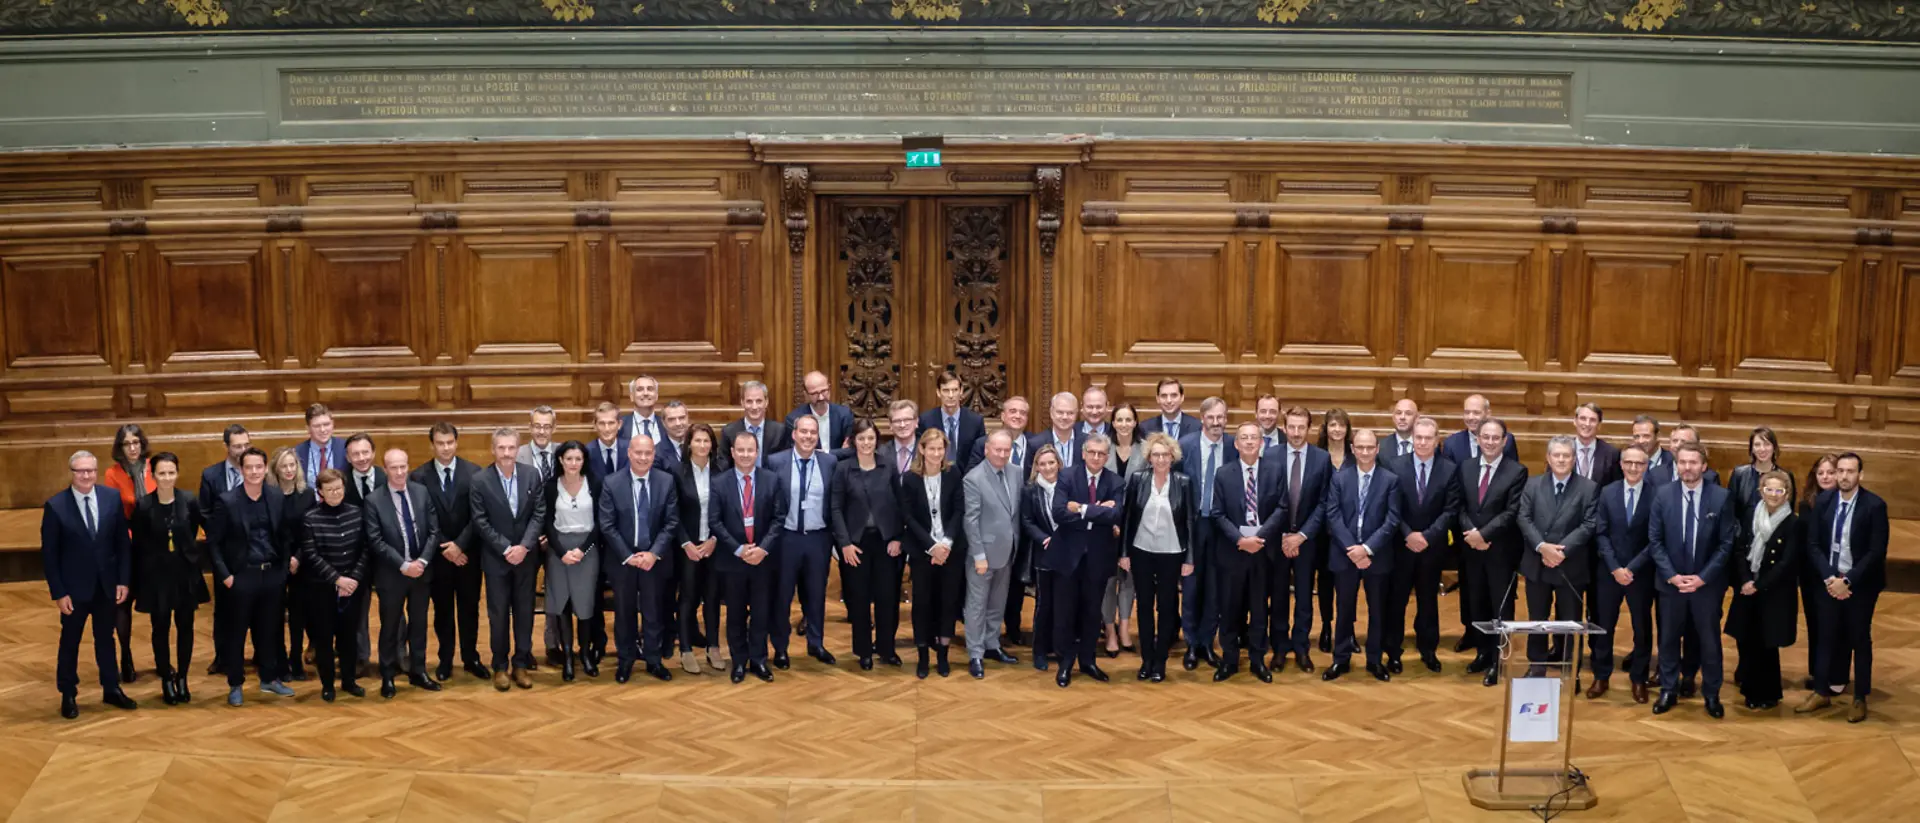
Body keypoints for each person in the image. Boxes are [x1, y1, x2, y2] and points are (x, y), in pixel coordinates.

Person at [44, 450, 137, 718]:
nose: (86, 476)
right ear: (71, 473)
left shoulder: (111, 498)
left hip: (107, 585)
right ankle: (68, 693)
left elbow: (122, 543)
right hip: (74, 590)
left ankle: (111, 688)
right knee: (70, 641)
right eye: (80, 471)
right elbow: (49, 555)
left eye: (90, 471)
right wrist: (59, 592)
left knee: (106, 639)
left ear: (96, 472)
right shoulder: (56, 506)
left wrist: (123, 580)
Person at [1798, 452, 1889, 723]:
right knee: (1824, 636)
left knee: (1859, 639)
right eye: (1841, 471)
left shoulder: (1874, 505)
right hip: (1828, 581)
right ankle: (1820, 691)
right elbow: (1813, 545)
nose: (1845, 476)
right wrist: (1830, 578)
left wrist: (1847, 581)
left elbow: (1876, 552)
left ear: (1860, 475)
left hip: (1860, 585)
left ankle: (1860, 697)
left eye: (1851, 471)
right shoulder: (1823, 501)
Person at [1649, 442, 1734, 719]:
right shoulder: (1662, 495)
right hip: (1670, 585)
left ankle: (1711, 694)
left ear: (1704, 466)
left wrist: (1702, 578)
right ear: (1677, 465)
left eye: (1693, 462)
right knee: (1669, 639)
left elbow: (1726, 544)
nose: (1687, 467)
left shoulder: (1721, 497)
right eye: (1682, 462)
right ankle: (1668, 689)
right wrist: (1672, 576)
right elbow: (1655, 541)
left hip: (1706, 587)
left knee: (1709, 642)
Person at [208, 447, 297, 707]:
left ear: (265, 467)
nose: (255, 472)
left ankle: (269, 678)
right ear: (241, 470)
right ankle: (236, 683)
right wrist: (226, 576)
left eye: (259, 467)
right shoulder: (227, 501)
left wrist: (281, 571)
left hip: (271, 575)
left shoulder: (276, 496)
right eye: (249, 467)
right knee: (236, 633)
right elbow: (213, 543)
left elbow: (285, 536)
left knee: (269, 630)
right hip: (241, 576)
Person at [471, 427, 548, 691]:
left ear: (518, 449)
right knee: (499, 614)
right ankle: (500, 667)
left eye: (511, 448)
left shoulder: (531, 475)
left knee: (525, 613)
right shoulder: (480, 480)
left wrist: (524, 547)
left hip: (526, 559)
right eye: (501, 448)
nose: (506, 453)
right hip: (497, 560)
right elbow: (480, 521)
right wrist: (506, 549)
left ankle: (521, 664)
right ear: (493, 450)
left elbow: (539, 514)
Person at [1321, 429, 1401, 682]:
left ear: (1377, 449)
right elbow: (1332, 516)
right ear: (1352, 449)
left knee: (1378, 611)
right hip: (1345, 556)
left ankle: (1375, 660)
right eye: (1360, 447)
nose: (1365, 452)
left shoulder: (1391, 480)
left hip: (1376, 556)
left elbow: (1392, 519)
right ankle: (1341, 658)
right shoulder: (1339, 479)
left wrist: (1366, 549)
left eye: (1370, 447)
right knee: (1344, 609)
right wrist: (1352, 550)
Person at [598, 435, 680, 684]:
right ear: (629, 454)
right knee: (624, 613)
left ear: (653, 455)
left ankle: (654, 660)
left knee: (654, 613)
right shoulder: (611, 483)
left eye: (648, 453)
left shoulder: (666, 482)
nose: (643, 458)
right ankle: (625, 661)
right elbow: (607, 524)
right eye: (638, 453)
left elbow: (672, 522)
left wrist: (653, 553)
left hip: (654, 560)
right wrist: (628, 556)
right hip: (623, 561)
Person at [1516, 435, 1600, 672]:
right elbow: (1523, 517)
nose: (1561, 459)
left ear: (1574, 459)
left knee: (1569, 620)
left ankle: (1568, 667)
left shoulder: (1589, 488)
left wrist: (1561, 551)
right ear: (1548, 458)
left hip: (1570, 565)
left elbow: (1589, 524)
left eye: (1566, 455)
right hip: (1537, 563)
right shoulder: (1532, 484)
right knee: (1537, 618)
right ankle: (1537, 664)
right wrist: (1542, 547)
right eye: (1556, 455)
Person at [1049, 433, 1125, 688]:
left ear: (1107, 456)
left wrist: (1081, 509)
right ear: (1083, 453)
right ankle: (1066, 662)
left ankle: (1088, 660)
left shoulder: (1115, 481)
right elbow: (1059, 512)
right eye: (1091, 452)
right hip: (1068, 556)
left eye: (1101, 454)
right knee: (1066, 611)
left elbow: (1116, 514)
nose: (1096, 457)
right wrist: (1099, 511)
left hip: (1099, 557)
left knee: (1093, 612)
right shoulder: (1067, 476)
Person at [411, 423, 485, 682]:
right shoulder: (418, 477)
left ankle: (470, 657)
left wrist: (460, 546)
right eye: (440, 443)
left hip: (468, 556)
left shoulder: (475, 473)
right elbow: (422, 518)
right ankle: (445, 659)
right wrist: (446, 547)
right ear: (432, 445)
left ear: (456, 442)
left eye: (449, 442)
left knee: (469, 608)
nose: (445, 448)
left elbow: (479, 516)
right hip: (438, 557)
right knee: (442, 610)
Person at [1458, 418, 1529, 687]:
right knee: (1476, 604)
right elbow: (1459, 505)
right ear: (1478, 439)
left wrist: (1484, 535)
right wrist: (1472, 534)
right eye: (1484, 437)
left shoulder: (1517, 471)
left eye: (1494, 438)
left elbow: (1512, 512)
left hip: (1500, 551)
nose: (1489, 442)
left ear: (1504, 441)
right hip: (1472, 550)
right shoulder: (1464, 468)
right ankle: (1482, 653)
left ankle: (1499, 661)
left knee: (1501, 608)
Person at [364, 447, 440, 699]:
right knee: (390, 627)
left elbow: (433, 531)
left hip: (421, 572)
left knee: (419, 624)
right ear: (385, 469)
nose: (399, 472)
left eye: (403, 466)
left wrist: (423, 561)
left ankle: (418, 670)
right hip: (392, 576)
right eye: (393, 467)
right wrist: (403, 565)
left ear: (408, 466)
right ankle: (388, 674)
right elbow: (376, 541)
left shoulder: (421, 492)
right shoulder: (374, 500)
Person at [132, 452, 207, 705]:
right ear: (153, 476)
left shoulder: (189, 500)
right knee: (160, 628)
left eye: (171, 473)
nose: (166, 478)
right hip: (157, 576)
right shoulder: (143, 506)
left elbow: (196, 528)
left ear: (177, 473)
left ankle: (183, 677)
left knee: (186, 627)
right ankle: (166, 676)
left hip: (184, 573)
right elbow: (139, 544)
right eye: (161, 473)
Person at [710, 430, 785, 683]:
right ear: (732, 452)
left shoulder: (772, 480)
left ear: (757, 452)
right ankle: (739, 662)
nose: (744, 455)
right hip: (733, 561)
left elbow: (778, 519)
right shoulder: (719, 483)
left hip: (763, 560)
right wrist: (739, 550)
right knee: (735, 614)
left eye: (749, 450)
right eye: (739, 450)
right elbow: (715, 522)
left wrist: (762, 549)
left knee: (762, 612)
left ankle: (759, 660)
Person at [830, 419, 905, 670]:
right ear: (853, 441)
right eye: (861, 438)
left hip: (885, 543)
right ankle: (863, 651)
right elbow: (836, 509)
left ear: (877, 440)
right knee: (859, 599)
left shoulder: (888, 466)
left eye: (870, 438)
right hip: (856, 544)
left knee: (887, 598)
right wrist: (845, 544)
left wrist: (897, 537)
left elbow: (900, 504)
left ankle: (887, 648)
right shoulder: (843, 469)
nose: (866, 443)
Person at [1386, 417, 1458, 675]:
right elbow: (1391, 507)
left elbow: (1450, 510)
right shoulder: (1394, 466)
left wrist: (1427, 536)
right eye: (1418, 437)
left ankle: (1428, 649)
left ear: (1437, 440)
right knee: (1397, 601)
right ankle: (1393, 651)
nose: (1423, 442)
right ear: (1412, 438)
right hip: (1401, 546)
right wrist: (1408, 534)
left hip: (1432, 547)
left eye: (1428, 438)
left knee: (1428, 601)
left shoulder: (1449, 469)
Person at [1120, 432, 1194, 682]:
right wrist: (1124, 553)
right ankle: (1146, 659)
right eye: (1156, 454)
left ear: (1172, 457)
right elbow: (1128, 518)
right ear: (1149, 458)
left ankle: (1160, 661)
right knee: (1143, 607)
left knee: (1166, 607)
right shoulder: (1138, 479)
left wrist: (1189, 558)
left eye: (1165, 454)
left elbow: (1190, 523)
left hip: (1172, 553)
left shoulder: (1183, 482)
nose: (1161, 459)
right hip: (1141, 551)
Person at [1212, 423, 1282, 682]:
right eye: (1244, 438)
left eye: (1254, 437)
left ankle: (1257, 659)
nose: (1250, 442)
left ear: (1262, 443)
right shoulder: (1223, 473)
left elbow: (1282, 509)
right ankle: (1229, 660)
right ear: (1236, 444)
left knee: (1259, 609)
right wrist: (1240, 540)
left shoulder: (1275, 471)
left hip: (1263, 552)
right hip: (1233, 552)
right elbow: (1217, 513)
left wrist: (1258, 538)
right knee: (1229, 609)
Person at [766, 415, 838, 668]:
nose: (808, 437)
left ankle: (816, 644)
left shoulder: (829, 462)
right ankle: (781, 648)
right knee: (782, 596)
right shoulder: (776, 462)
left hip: (818, 538)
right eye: (803, 432)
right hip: (786, 539)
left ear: (817, 437)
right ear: (794, 434)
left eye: (813, 433)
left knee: (816, 595)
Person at [1726, 471, 1800, 711]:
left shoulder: (1793, 522)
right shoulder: (1751, 516)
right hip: (1747, 588)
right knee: (1747, 640)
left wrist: (1759, 584)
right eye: (1769, 489)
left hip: (1773, 592)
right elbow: (1740, 550)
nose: (1774, 495)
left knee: (1768, 645)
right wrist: (1746, 580)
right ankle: (1749, 688)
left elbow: (1787, 562)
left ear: (1787, 494)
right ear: (1761, 491)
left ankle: (1768, 693)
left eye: (1779, 491)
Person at [1589, 446, 1656, 703]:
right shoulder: (1607, 493)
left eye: (1639, 463)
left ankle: (1639, 679)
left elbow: (1655, 539)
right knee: (1603, 625)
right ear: (1621, 464)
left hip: (1641, 573)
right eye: (1628, 462)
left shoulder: (1656, 495)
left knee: (1642, 627)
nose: (1633, 468)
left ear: (1646, 466)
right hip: (1609, 572)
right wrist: (1616, 567)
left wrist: (1632, 568)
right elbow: (1601, 533)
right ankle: (1601, 675)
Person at [299, 469, 369, 702]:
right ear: (320, 492)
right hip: (322, 590)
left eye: (338, 488)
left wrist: (353, 580)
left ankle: (349, 681)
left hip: (352, 588)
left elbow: (365, 550)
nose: (335, 493)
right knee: (324, 640)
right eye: (329, 490)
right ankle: (327, 684)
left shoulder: (356, 513)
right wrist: (337, 580)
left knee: (349, 638)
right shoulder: (311, 518)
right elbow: (311, 554)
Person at [1271, 405, 1331, 674]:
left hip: (1307, 541)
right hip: (1278, 540)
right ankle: (1280, 648)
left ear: (1309, 429)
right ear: (1284, 428)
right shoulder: (1270, 455)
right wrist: (1283, 535)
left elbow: (1324, 503)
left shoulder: (1322, 458)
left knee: (1305, 596)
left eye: (1301, 427)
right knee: (1279, 596)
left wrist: (1302, 535)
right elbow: (1267, 500)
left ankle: (1302, 647)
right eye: (1291, 427)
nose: (1296, 433)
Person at [902, 429, 967, 679]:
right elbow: (908, 517)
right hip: (923, 552)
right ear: (922, 449)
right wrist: (932, 546)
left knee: (947, 602)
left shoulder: (952, 473)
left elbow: (959, 511)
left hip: (951, 551)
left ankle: (942, 653)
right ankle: (922, 656)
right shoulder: (910, 479)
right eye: (932, 449)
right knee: (923, 603)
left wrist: (946, 543)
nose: (937, 454)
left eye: (941, 449)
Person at [961, 430, 1026, 678]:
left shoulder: (1016, 473)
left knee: (997, 604)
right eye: (997, 449)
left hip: (1008, 552)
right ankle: (975, 653)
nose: (1001, 454)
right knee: (977, 606)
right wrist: (978, 555)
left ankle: (991, 645)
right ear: (987, 449)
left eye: (1006, 450)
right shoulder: (974, 478)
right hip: (982, 555)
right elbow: (971, 520)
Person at [1176, 397, 1231, 669]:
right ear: (1202, 418)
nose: (1216, 422)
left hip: (1222, 527)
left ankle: (1208, 643)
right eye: (1211, 417)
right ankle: (1191, 644)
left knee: (1214, 588)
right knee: (1191, 586)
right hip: (1192, 525)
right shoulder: (1185, 446)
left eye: (1221, 417)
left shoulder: (1233, 446)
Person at [542, 441, 602, 681]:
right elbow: (547, 521)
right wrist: (561, 551)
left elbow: (601, 521)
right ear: (561, 461)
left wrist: (583, 550)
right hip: (559, 552)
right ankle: (567, 657)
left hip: (587, 550)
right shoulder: (550, 486)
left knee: (585, 606)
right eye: (569, 459)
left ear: (584, 461)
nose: (573, 464)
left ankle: (585, 654)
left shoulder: (594, 484)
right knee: (563, 606)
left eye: (578, 459)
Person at [100, 423, 153, 683]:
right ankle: (126, 656)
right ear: (120, 447)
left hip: (153, 543)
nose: (133, 448)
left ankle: (162, 660)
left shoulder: (154, 467)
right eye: (127, 444)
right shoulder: (112, 474)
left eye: (136, 443)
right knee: (123, 603)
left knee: (159, 603)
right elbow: (116, 514)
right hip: (127, 541)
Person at [199, 424, 251, 677]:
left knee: (256, 607)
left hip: (254, 552)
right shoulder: (211, 475)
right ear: (226, 447)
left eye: (246, 445)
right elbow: (205, 513)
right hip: (224, 552)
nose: (242, 451)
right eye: (237, 446)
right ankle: (223, 657)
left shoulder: (257, 469)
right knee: (224, 609)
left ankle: (260, 655)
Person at [674, 424, 726, 675]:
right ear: (689, 444)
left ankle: (713, 647)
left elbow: (729, 510)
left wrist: (715, 539)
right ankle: (685, 649)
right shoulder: (677, 472)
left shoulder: (722, 470)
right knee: (688, 598)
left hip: (714, 546)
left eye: (707, 441)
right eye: (698, 441)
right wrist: (686, 543)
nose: (703, 446)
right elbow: (672, 514)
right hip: (688, 548)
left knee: (713, 598)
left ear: (713, 446)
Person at [269, 445, 315, 682]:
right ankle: (279, 662)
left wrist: (298, 557)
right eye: (283, 466)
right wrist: (284, 560)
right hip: (276, 561)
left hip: (302, 561)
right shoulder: (269, 495)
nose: (288, 470)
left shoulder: (306, 495)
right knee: (275, 614)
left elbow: (310, 532)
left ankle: (296, 658)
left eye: (292, 465)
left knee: (298, 615)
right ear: (275, 469)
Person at [1797, 453, 1841, 693]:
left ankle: (1836, 675)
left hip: (1838, 574)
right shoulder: (1807, 503)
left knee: (1837, 626)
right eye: (1821, 472)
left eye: (1830, 472)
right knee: (1815, 624)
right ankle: (1817, 672)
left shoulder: (1847, 500)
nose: (1825, 477)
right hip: (1811, 574)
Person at [1312, 407, 1355, 653]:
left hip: (1350, 532)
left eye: (1341, 425)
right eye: (1332, 425)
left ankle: (1347, 630)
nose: (1337, 429)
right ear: (1325, 428)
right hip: (1323, 534)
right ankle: (1327, 626)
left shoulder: (1356, 454)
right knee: (1326, 582)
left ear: (1347, 429)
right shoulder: (1318, 456)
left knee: (1348, 584)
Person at [1102, 402, 1142, 657]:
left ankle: (1125, 627)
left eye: (1129, 420)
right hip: (1106, 525)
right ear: (1113, 423)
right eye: (1120, 420)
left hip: (1137, 525)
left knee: (1129, 580)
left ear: (1135, 423)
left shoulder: (1146, 450)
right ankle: (1110, 631)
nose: (1124, 424)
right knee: (1108, 580)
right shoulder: (1102, 449)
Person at [340, 432, 380, 679]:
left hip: (387, 556)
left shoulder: (389, 478)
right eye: (355, 454)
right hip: (354, 558)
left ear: (373, 453)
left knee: (395, 611)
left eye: (365, 452)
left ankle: (397, 655)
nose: (362, 458)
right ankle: (359, 657)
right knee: (356, 612)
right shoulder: (341, 483)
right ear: (347, 457)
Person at [1022, 446, 1064, 671]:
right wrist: (1044, 539)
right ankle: (1039, 651)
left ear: (1058, 463)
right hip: (1044, 554)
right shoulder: (1030, 490)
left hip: (1067, 554)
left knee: (1063, 604)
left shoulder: (1068, 487)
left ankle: (1058, 647)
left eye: (1051, 463)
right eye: (1043, 464)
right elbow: (1027, 520)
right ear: (1036, 466)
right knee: (1044, 605)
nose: (1047, 468)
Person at [720, 380, 791, 471]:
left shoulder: (780, 431)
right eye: (749, 401)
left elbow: (784, 465)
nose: (754, 407)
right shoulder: (729, 432)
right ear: (742, 403)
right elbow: (724, 467)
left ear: (766, 402)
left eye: (759, 401)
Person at [1727, 427, 1793, 523]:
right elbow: (1730, 509)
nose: (1762, 449)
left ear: (1774, 448)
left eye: (1767, 444)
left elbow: (1788, 510)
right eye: (1757, 445)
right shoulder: (1739, 474)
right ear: (1752, 449)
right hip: (1743, 535)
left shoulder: (1785, 476)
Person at [922, 371, 987, 467]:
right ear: (938, 392)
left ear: (961, 391)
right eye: (946, 390)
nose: (951, 395)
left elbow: (980, 456)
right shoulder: (926, 421)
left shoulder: (975, 421)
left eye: (955, 390)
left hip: (966, 478)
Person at [786, 370, 854, 452]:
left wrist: (821, 453)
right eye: (815, 393)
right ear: (806, 394)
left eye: (824, 391)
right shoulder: (794, 419)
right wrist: (838, 452)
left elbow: (850, 451)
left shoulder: (845, 414)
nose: (821, 397)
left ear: (829, 387)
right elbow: (799, 452)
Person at [296, 404, 348, 489]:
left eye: (326, 424)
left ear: (333, 425)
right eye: (317, 426)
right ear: (308, 428)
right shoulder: (297, 453)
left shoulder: (346, 448)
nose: (323, 430)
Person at [1571, 403, 1622, 488]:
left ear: (1599, 425)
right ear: (1575, 421)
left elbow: (1615, 488)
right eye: (1583, 418)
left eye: (1593, 420)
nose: (1587, 424)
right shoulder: (1561, 450)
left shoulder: (1612, 454)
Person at [1036, 392, 1084, 471]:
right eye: (1060, 412)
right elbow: (1030, 480)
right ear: (1051, 413)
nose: (1065, 417)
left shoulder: (1087, 441)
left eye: (1070, 413)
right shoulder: (1036, 443)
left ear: (1076, 414)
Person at [587, 402, 630, 480]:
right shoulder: (586, 452)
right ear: (594, 425)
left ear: (619, 424)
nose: (607, 429)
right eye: (602, 423)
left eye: (611, 423)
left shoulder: (630, 449)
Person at [879, 400, 920, 476]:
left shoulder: (927, 450)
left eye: (907, 419)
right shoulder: (880, 453)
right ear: (890, 424)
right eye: (897, 421)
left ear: (916, 422)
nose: (902, 425)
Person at [621, 375, 665, 445]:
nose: (645, 393)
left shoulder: (665, 424)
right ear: (632, 396)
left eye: (650, 389)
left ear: (656, 396)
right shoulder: (620, 425)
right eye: (640, 389)